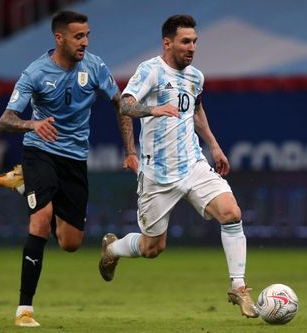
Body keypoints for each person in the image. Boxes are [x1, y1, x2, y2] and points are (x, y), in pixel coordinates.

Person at [98, 14, 259, 318]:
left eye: (195, 41)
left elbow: (195, 109)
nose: (192, 47)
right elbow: (126, 104)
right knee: (151, 249)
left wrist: (213, 145)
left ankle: (238, 287)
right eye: (186, 41)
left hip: (193, 164)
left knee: (231, 213)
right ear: (167, 42)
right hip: (157, 175)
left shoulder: (195, 77)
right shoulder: (150, 71)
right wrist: (153, 109)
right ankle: (113, 249)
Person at [0, 10, 138, 327]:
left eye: (87, 35)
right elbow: (5, 120)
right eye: (78, 36)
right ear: (59, 38)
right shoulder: (35, 72)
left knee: (70, 243)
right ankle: (24, 310)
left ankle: (21, 183)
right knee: (41, 221)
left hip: (74, 160)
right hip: (40, 151)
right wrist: (33, 124)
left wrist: (131, 151)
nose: (85, 42)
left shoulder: (95, 66)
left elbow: (121, 105)